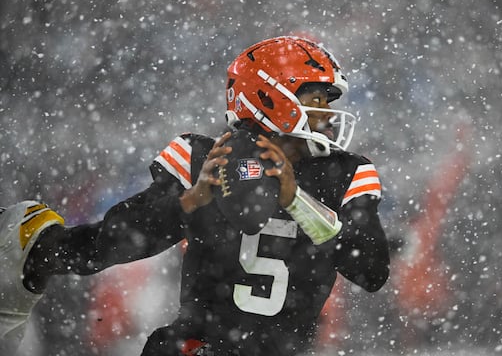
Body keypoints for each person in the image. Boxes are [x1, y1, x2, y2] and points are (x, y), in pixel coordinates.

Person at [0, 36, 390, 355]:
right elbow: (114, 243)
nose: (326, 113)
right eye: (316, 99)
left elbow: (371, 270)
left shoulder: (347, 171)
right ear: (270, 98)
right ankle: (32, 252)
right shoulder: (204, 157)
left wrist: (296, 201)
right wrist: (188, 202)